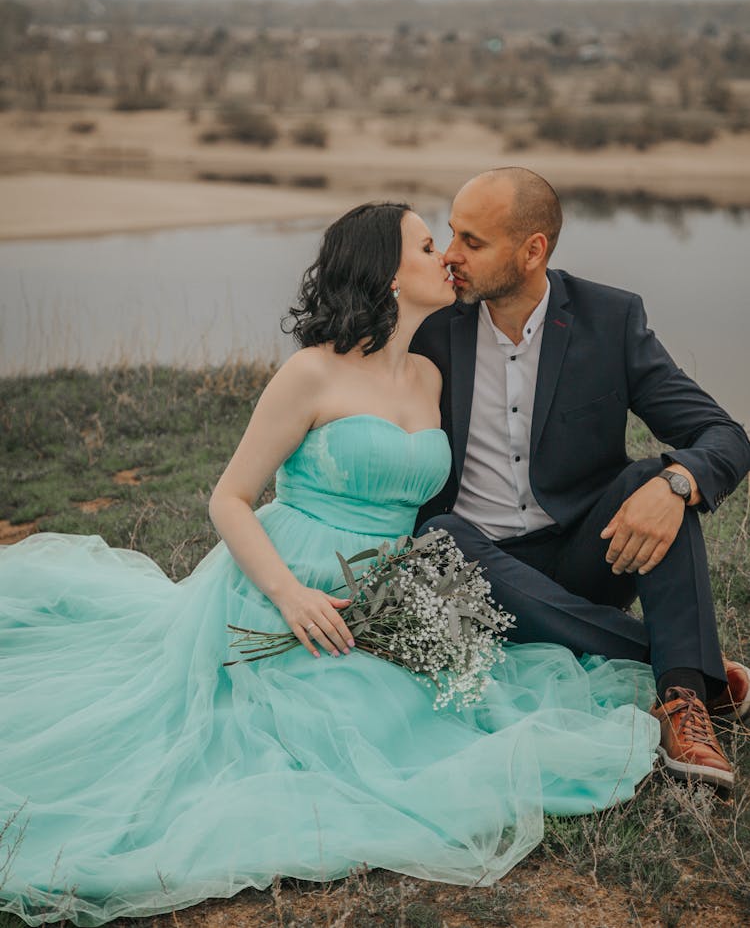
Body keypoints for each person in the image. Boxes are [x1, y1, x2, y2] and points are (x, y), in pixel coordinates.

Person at [0, 203, 659, 927]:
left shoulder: (431, 378)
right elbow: (229, 499)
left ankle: (671, 664)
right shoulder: (310, 374)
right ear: (386, 270)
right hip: (292, 576)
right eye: (428, 244)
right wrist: (288, 596)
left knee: (454, 706)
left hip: (389, 584)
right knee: (343, 727)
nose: (445, 257)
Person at [412, 168, 750, 791]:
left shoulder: (609, 319)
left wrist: (676, 486)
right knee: (440, 534)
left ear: (533, 249)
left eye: (473, 241)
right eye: (451, 233)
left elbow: (724, 436)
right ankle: (688, 668)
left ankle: (682, 708)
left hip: (585, 556)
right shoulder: (430, 329)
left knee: (657, 478)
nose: (451, 256)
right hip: (477, 569)